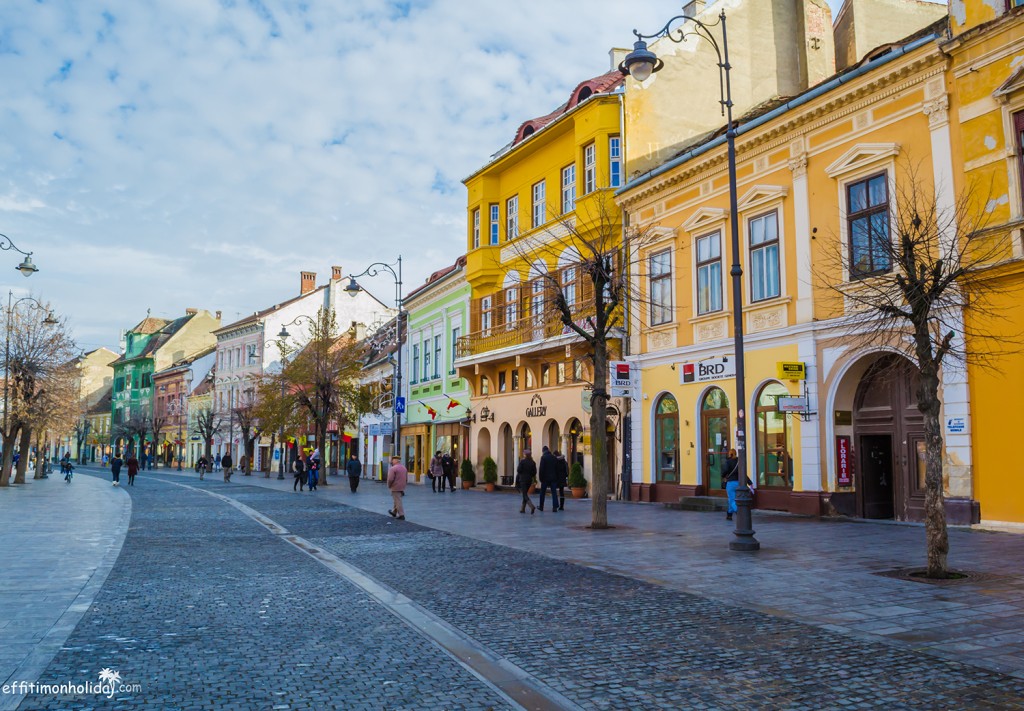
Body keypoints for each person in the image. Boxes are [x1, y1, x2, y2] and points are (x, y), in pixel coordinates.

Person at [722, 449, 750, 522]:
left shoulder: (728, 462)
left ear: (729, 454)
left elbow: (725, 471)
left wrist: (723, 476)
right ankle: (729, 514)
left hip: (731, 483)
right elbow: (743, 473)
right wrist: (750, 482)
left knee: (732, 500)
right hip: (739, 483)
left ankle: (739, 512)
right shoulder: (739, 462)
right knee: (733, 499)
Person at [537, 446, 559, 512]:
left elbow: (541, 469)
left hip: (545, 479)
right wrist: (557, 478)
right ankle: (555, 507)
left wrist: (541, 478)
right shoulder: (554, 458)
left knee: (542, 493)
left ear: (543, 451)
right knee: (554, 493)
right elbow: (557, 469)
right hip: (553, 478)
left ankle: (541, 506)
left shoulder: (543, 458)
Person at [516, 449, 537, 515]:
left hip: (523, 479)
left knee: (524, 494)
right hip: (529, 480)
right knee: (525, 494)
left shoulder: (522, 461)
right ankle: (522, 509)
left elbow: (518, 470)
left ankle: (531, 506)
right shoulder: (533, 462)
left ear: (525, 455)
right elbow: (534, 472)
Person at [387, 455, 408, 520]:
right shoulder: (404, 468)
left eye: (393, 460)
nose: (392, 461)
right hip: (402, 486)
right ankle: (394, 512)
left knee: (398, 500)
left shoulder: (393, 468)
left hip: (395, 486)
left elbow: (390, 479)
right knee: (397, 499)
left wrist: (389, 485)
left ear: (395, 460)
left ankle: (401, 515)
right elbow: (406, 478)